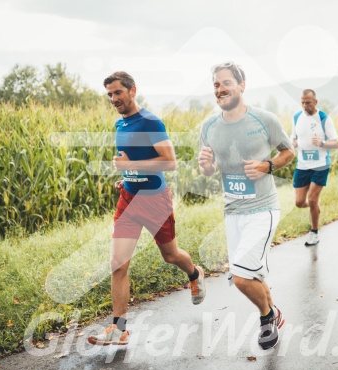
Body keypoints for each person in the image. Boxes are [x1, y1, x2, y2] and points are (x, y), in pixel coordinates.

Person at [88, 71, 206, 346]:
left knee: (171, 255)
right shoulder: (121, 124)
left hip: (155, 200)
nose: (113, 98)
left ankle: (194, 274)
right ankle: (119, 329)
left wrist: (131, 167)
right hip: (129, 199)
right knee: (118, 264)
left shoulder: (150, 121)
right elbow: (135, 162)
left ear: (132, 90)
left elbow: (169, 162)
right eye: (109, 94)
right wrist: (127, 177)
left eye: (118, 92)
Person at [198, 62, 294, 350]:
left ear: (242, 85)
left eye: (226, 82)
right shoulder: (209, 126)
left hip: (263, 209)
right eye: (216, 84)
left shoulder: (264, 119)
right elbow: (209, 170)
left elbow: (288, 152)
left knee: (240, 276)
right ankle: (275, 311)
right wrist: (206, 166)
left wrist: (267, 165)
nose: (220, 88)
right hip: (232, 212)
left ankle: (267, 317)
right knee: (253, 274)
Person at [291, 89, 338, 246]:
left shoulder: (324, 118)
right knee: (299, 202)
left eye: (308, 102)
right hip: (302, 165)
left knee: (312, 198)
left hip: (320, 165)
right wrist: (293, 142)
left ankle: (314, 232)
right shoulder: (297, 117)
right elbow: (293, 137)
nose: (305, 105)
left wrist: (322, 143)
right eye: (303, 102)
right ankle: (314, 207)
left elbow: (336, 143)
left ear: (315, 102)